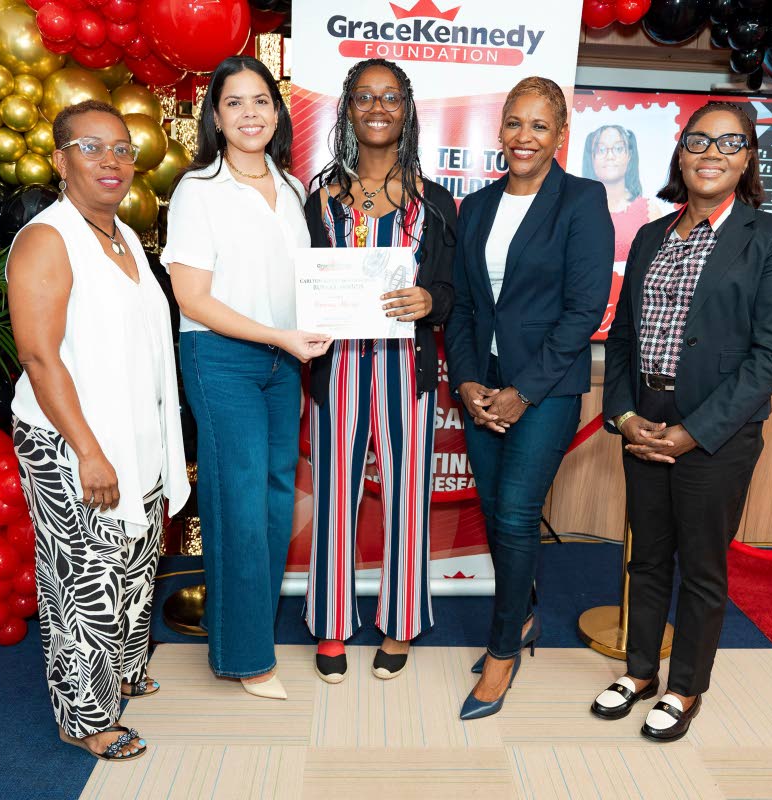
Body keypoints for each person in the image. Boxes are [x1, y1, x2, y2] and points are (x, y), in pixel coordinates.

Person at [592, 101, 772, 742]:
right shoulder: (652, 235)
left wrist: (694, 432)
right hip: (644, 422)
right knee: (647, 559)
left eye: (729, 143)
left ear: (747, 160)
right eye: (698, 140)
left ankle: (685, 686)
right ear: (679, 153)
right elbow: (624, 339)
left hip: (715, 434)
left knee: (702, 569)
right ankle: (639, 673)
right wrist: (623, 415)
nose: (711, 153)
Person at [8, 99, 190, 761]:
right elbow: (38, 354)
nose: (111, 161)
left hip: (131, 434)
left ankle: (122, 671)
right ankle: (81, 718)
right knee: (83, 578)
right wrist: (88, 450)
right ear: (61, 160)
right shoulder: (47, 238)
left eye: (122, 149)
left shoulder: (124, 237)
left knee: (135, 565)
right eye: (92, 147)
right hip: (71, 441)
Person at [162, 56, 331, 700]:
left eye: (261, 100)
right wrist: (281, 336)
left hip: (284, 361)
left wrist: (315, 322)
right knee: (237, 504)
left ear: (278, 111)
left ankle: (250, 630)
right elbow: (193, 300)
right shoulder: (198, 189)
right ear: (215, 116)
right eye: (235, 103)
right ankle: (244, 657)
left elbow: (296, 284)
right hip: (221, 358)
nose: (251, 113)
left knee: (275, 497)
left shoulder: (291, 188)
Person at [445, 77, 614, 719]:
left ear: (560, 135)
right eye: (515, 123)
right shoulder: (477, 206)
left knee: (516, 514)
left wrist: (523, 391)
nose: (524, 136)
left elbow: (584, 312)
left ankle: (501, 654)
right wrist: (465, 381)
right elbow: (460, 307)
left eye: (539, 126)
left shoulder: (581, 200)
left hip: (544, 390)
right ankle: (518, 622)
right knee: (495, 514)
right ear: (499, 130)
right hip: (482, 389)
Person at [303, 58, 457, 683]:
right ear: (347, 109)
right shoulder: (319, 198)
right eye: (364, 96)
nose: (377, 107)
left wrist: (431, 302)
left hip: (405, 367)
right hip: (337, 368)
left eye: (389, 96)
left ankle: (399, 623)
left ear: (407, 109)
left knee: (406, 500)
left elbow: (453, 289)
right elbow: (302, 281)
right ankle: (333, 624)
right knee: (334, 499)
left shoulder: (437, 202)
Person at [582, 124, 664, 263]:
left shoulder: (650, 212)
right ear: (592, 157)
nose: (610, 156)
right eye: (601, 149)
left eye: (618, 148)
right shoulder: (576, 209)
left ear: (629, 155)